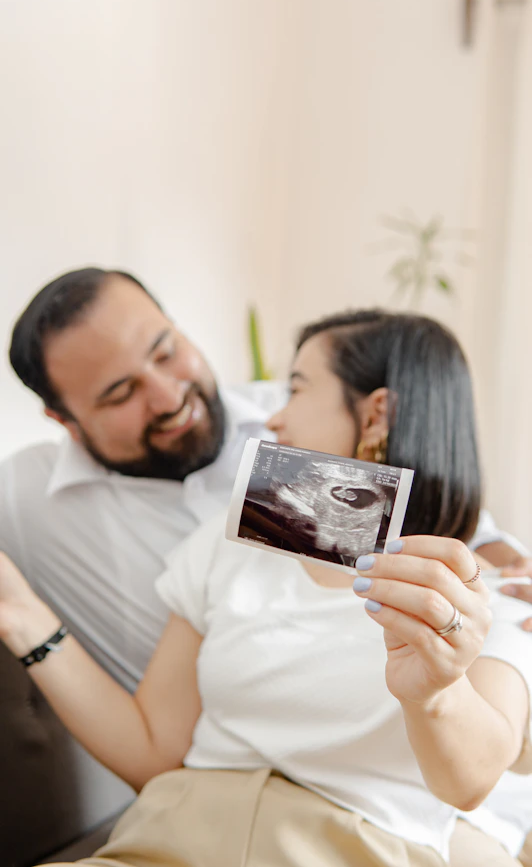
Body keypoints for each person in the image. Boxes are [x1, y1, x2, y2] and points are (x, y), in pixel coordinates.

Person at [1, 309, 531, 867]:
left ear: (378, 413)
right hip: (171, 840)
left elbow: (469, 782)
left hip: (353, 850)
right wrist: (21, 614)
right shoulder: (231, 540)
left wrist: (435, 690)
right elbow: (154, 748)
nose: (273, 418)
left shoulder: (487, 591)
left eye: (297, 389)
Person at [0, 267, 283, 689]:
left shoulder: (296, 419)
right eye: (120, 394)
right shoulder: (26, 497)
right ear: (64, 420)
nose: (169, 398)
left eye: (166, 352)